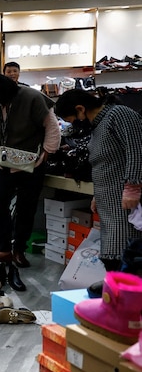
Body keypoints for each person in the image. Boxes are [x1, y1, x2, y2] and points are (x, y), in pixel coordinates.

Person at [0, 72, 61, 268]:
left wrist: (47, 152)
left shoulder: (32, 97)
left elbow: (52, 127)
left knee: (26, 208)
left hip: (31, 164)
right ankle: (4, 249)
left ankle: (19, 249)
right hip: (2, 163)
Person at [54, 89, 142, 270]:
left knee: (123, 256)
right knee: (111, 257)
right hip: (108, 201)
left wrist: (133, 186)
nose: (75, 125)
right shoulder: (98, 125)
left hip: (125, 202)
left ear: (80, 109)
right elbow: (104, 164)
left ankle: (124, 293)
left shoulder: (118, 114)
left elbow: (136, 150)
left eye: (72, 120)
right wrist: (97, 195)